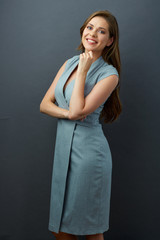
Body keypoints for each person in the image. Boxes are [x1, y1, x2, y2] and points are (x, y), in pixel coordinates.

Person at [40, 9, 122, 240]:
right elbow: (44, 104)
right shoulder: (69, 63)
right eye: (90, 27)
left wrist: (84, 71)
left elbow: (79, 110)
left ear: (110, 41)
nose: (93, 33)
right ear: (82, 31)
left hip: (89, 156)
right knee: (60, 226)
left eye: (101, 31)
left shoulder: (109, 75)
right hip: (63, 151)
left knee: (90, 228)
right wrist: (68, 114)